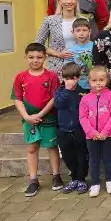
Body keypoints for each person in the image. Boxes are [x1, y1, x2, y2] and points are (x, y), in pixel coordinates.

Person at [15, 42, 62, 197]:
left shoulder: (52, 76)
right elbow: (17, 99)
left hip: (47, 118)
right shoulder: (20, 77)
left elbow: (54, 98)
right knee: (32, 148)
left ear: (45, 58)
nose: (35, 60)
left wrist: (41, 114)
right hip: (29, 120)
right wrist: (26, 117)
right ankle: (33, 179)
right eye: (31, 57)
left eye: (39, 57)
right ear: (25, 57)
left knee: (52, 146)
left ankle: (56, 175)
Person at [79, 64, 111, 196]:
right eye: (94, 80)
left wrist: (105, 132)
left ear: (107, 80)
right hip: (91, 137)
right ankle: (95, 183)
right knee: (94, 160)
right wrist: (92, 133)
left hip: (108, 135)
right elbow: (83, 118)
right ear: (89, 81)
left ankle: (110, 181)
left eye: (101, 80)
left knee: (108, 158)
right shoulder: (85, 99)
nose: (98, 83)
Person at [53, 63, 87, 193]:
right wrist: (67, 90)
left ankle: (81, 179)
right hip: (63, 130)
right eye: (66, 78)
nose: (69, 81)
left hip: (79, 130)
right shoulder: (60, 92)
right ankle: (74, 178)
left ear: (78, 77)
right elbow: (58, 104)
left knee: (81, 155)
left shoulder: (83, 92)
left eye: (72, 78)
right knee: (68, 156)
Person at [36, 0, 80, 74]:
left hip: (79, 67)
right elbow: (38, 44)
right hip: (57, 67)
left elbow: (88, 44)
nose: (68, 1)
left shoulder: (83, 20)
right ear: (59, 1)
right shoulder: (49, 21)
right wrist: (58, 54)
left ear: (76, 1)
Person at [68, 18, 95, 93]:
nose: (81, 33)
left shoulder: (95, 47)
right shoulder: (71, 51)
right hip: (78, 87)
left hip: (95, 86)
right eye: (78, 30)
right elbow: (69, 71)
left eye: (84, 30)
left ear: (90, 32)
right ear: (73, 32)